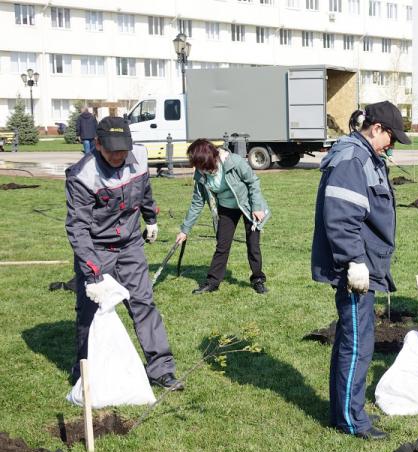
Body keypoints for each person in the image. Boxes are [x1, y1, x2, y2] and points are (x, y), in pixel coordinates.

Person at [311, 101, 410, 440]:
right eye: (391, 137)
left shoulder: (366, 156)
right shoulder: (353, 159)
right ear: (377, 128)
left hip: (364, 265)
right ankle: (352, 420)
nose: (392, 145)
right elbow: (340, 216)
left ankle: (343, 412)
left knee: (357, 339)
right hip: (356, 271)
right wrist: (354, 261)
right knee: (357, 343)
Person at [65, 116, 183, 390]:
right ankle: (86, 370)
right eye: (111, 150)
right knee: (90, 312)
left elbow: (145, 192)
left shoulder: (139, 157)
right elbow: (78, 228)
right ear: (97, 144)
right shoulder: (82, 175)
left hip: (130, 245)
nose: (119, 156)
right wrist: (93, 274)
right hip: (96, 249)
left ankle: (160, 369)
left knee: (143, 303)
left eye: (123, 149)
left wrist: (150, 217)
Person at [176, 139, 270, 295]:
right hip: (226, 208)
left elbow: (253, 182)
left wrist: (257, 207)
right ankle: (212, 282)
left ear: (212, 157)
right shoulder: (200, 173)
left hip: (248, 206)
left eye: (204, 166)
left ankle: (258, 279)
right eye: (199, 167)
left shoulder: (234, 162)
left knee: (253, 245)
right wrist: (184, 230)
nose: (202, 170)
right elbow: (197, 203)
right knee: (222, 246)